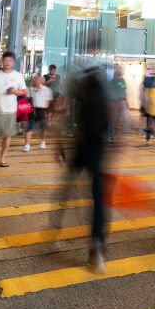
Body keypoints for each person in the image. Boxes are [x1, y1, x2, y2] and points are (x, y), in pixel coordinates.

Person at [64, 47, 113, 273]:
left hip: (82, 141)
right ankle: (98, 248)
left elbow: (64, 108)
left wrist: (58, 142)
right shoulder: (104, 81)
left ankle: (55, 228)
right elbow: (116, 111)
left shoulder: (76, 80)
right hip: (99, 145)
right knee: (99, 198)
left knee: (67, 187)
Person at [25, 73, 52, 151]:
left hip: (43, 110)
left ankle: (43, 142)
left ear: (41, 80)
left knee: (44, 128)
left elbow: (49, 101)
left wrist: (48, 112)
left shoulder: (47, 90)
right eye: (34, 79)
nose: (35, 80)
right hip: (32, 110)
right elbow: (25, 100)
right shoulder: (29, 89)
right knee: (29, 128)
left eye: (37, 78)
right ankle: (27, 144)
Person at [108, 65, 128, 142]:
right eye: (120, 69)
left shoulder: (122, 80)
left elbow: (124, 91)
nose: (122, 71)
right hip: (114, 103)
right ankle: (110, 135)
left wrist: (126, 103)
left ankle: (115, 133)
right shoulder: (113, 81)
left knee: (119, 120)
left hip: (121, 103)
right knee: (112, 119)